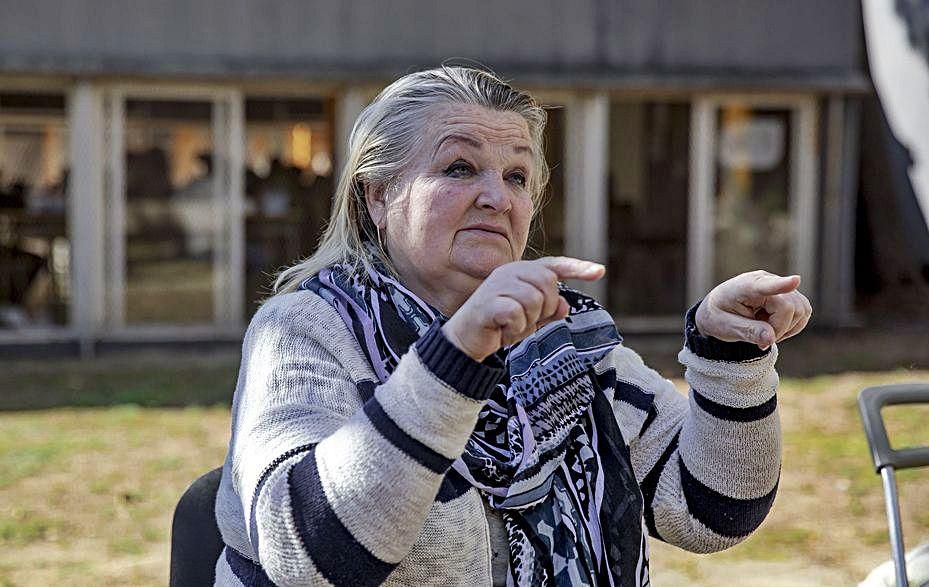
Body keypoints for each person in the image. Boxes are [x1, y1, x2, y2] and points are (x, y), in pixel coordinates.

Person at [213, 65, 812, 586]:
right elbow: (307, 555)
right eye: (459, 167)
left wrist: (728, 356)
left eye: (517, 177)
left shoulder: (563, 334)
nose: (496, 197)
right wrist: (456, 356)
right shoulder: (304, 328)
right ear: (377, 197)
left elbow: (712, 510)